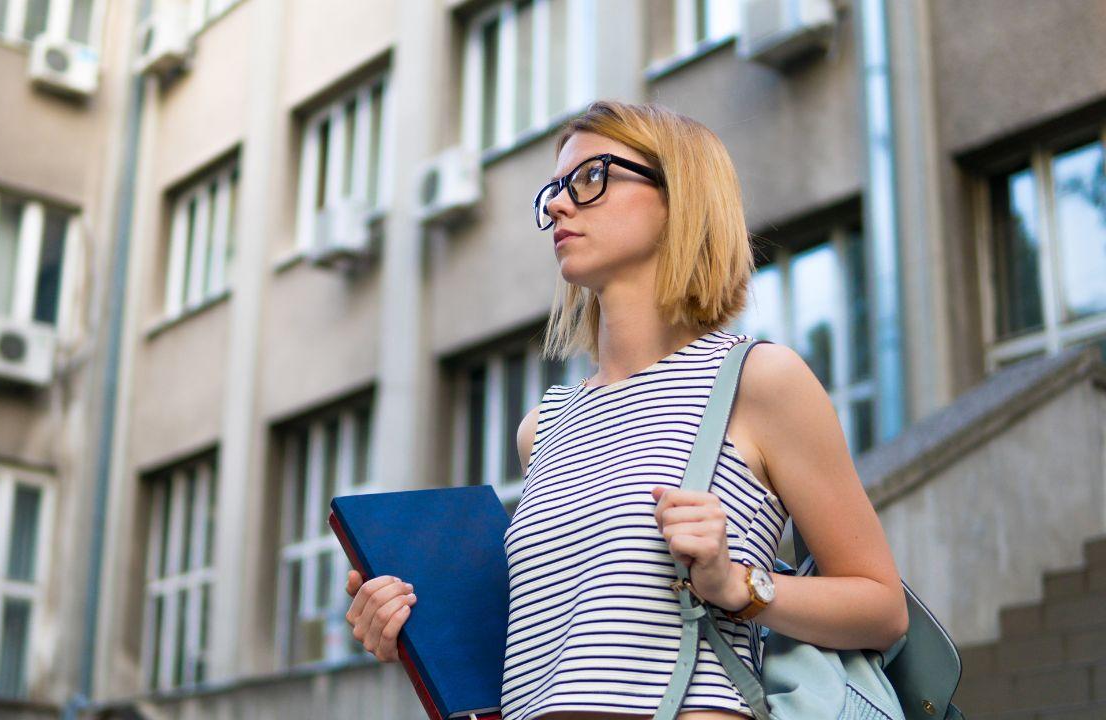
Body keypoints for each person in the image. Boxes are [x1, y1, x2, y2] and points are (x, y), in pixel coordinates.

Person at [344, 99, 908, 720]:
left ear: (680, 197)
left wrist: (738, 586)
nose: (559, 204)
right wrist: (415, 628)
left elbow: (881, 610)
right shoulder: (544, 426)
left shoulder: (758, 380)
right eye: (555, 189)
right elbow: (559, 649)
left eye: (591, 179)